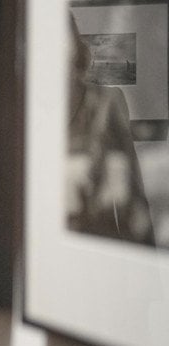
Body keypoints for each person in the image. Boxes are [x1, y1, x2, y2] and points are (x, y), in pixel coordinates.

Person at [65, 14, 155, 245]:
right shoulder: (24, 109)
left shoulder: (105, 101)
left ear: (73, 45)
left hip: (96, 241)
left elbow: (135, 192)